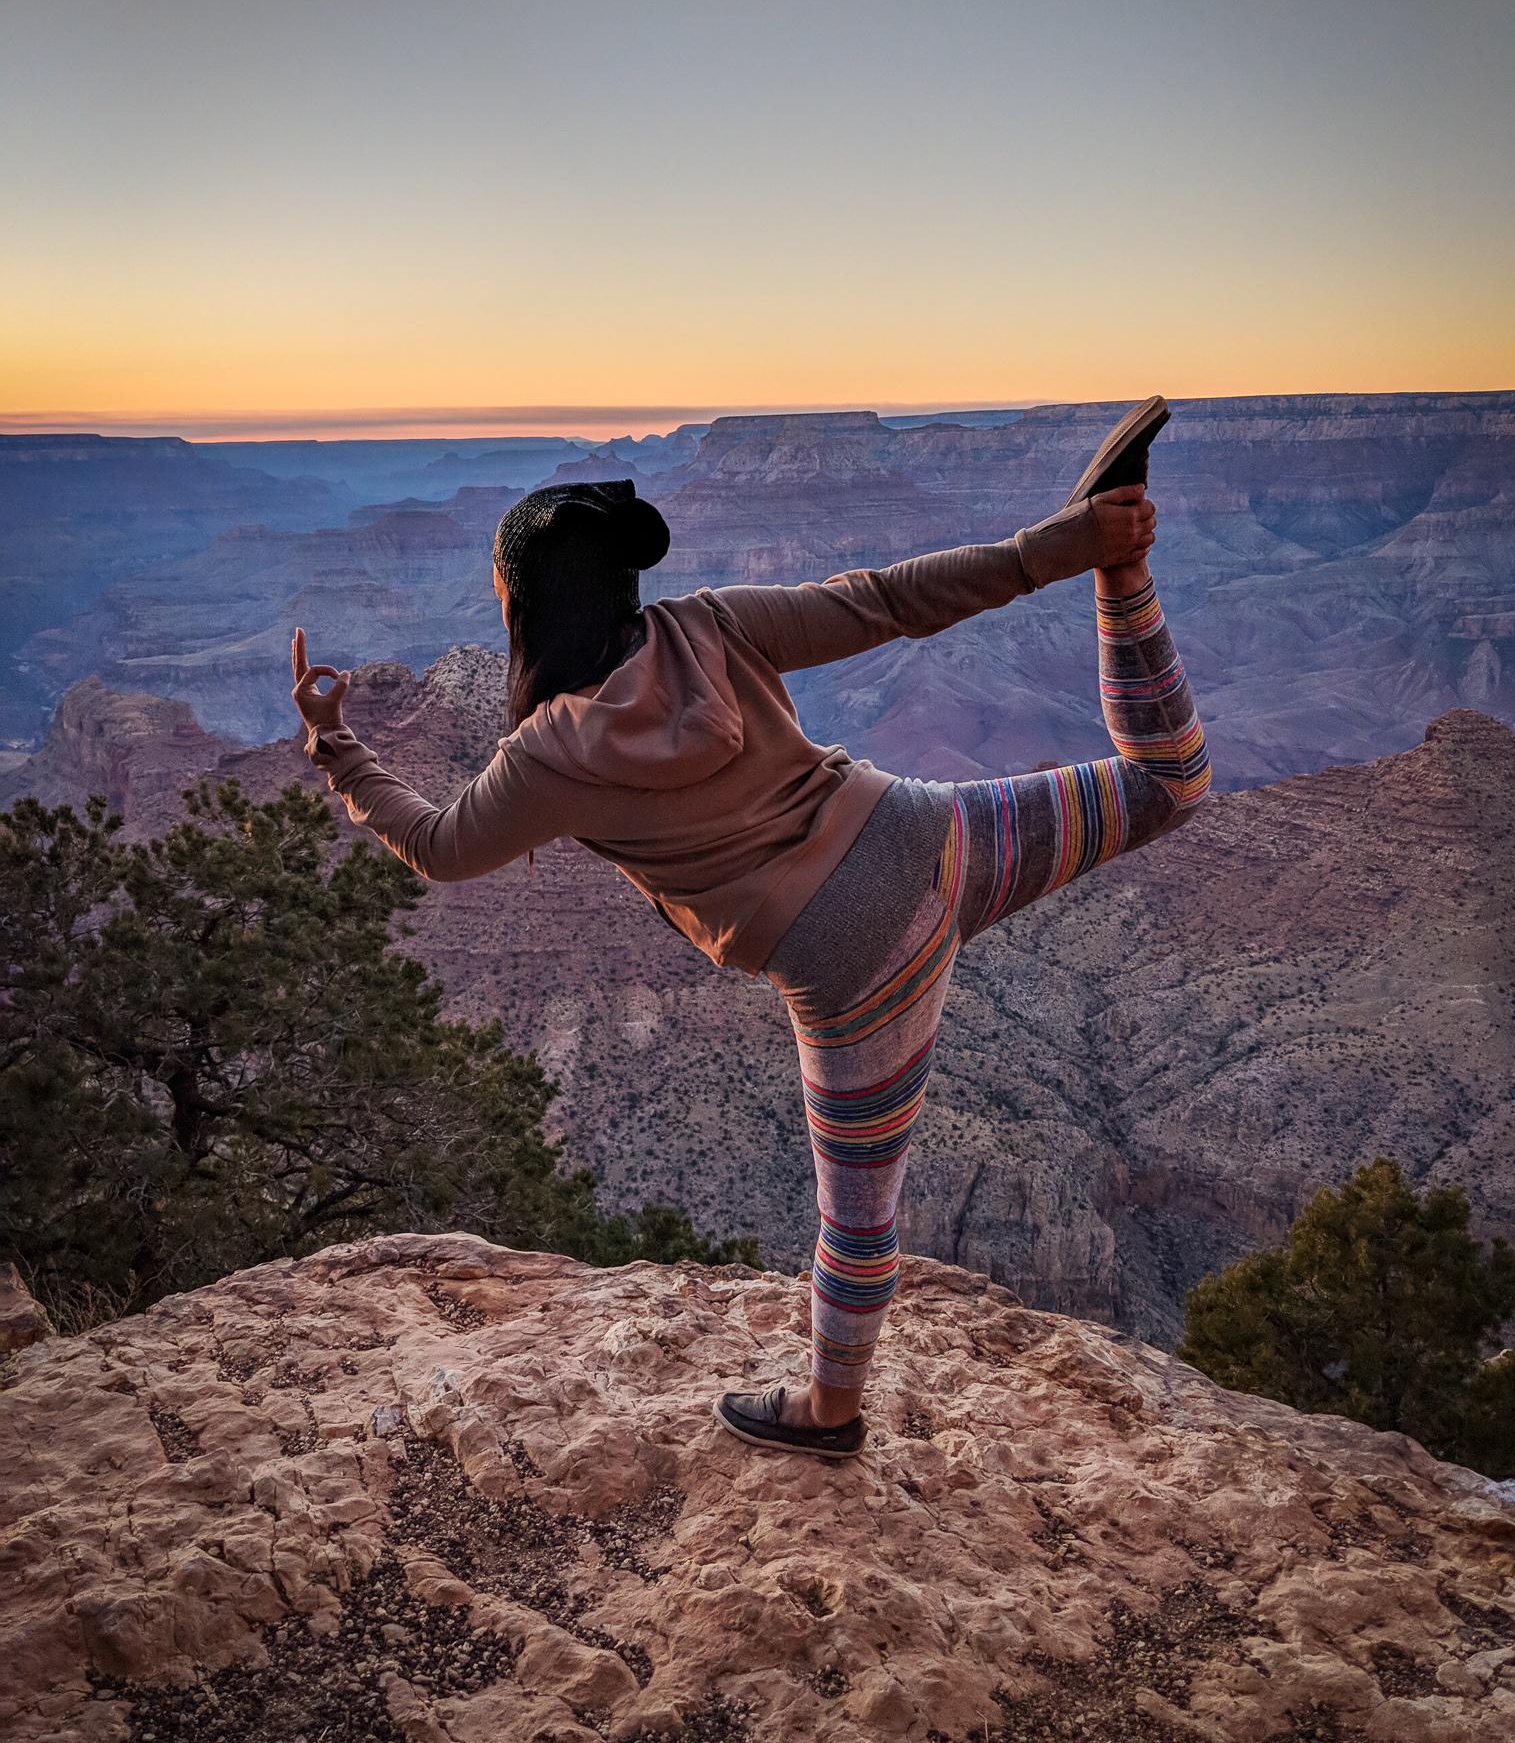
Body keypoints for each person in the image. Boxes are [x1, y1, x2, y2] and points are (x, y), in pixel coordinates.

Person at [292, 397, 1208, 1460]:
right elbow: (885, 602)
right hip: (938, 836)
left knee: (860, 1210)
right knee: (1165, 784)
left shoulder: (546, 755)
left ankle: (829, 1410)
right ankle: (1124, 570)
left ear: (527, 606)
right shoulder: (709, 624)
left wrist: (337, 749)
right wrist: (1067, 548)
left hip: (851, 960)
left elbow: (440, 845)